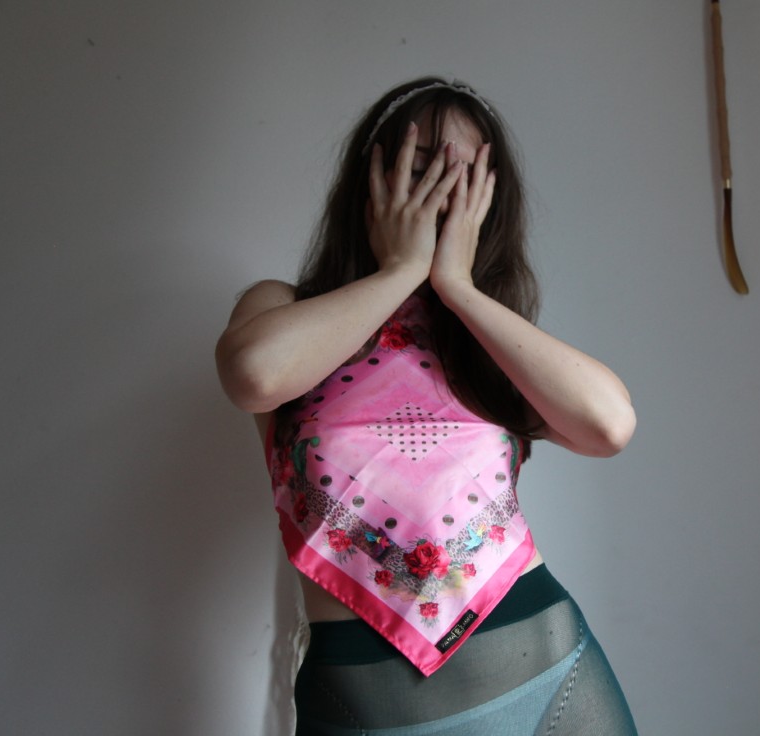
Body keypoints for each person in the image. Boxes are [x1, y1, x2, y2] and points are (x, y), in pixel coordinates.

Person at [216, 76, 639, 734]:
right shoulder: (285, 307)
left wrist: (458, 288)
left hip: (549, 671)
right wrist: (399, 272)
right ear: (372, 180)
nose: (440, 195)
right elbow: (253, 375)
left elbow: (609, 425)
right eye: (420, 171)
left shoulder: (483, 343)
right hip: (365, 699)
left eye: (462, 180)